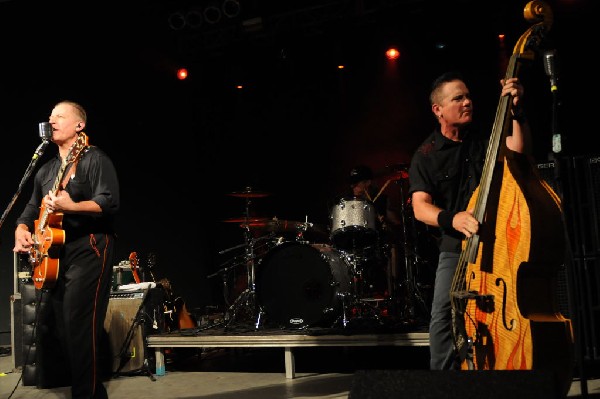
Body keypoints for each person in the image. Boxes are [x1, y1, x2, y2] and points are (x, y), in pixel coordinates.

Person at [407, 71, 530, 370]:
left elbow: (516, 151)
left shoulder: (481, 140)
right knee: (443, 314)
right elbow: (420, 208)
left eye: (468, 96)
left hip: (497, 240)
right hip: (456, 244)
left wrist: (515, 110)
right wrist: (453, 218)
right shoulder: (425, 155)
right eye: (458, 98)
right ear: (438, 110)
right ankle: (444, 383)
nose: (467, 102)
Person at [13, 100, 120, 398]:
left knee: (80, 326)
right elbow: (31, 208)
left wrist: (72, 206)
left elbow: (108, 202)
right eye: (50, 116)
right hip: (57, 254)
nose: (52, 120)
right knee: (62, 329)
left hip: (90, 247)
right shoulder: (46, 169)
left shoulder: (93, 159)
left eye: (60, 116)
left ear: (79, 126)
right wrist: (21, 229)